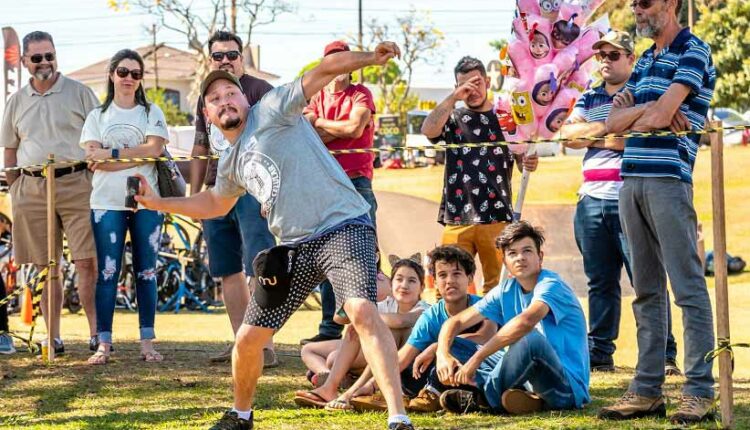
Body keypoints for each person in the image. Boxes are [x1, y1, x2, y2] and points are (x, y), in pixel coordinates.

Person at [134, 42, 416, 430]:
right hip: (293, 246)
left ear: (245, 98)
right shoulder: (231, 161)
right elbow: (215, 203)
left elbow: (323, 70)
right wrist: (157, 203)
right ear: (208, 114)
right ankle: (241, 415)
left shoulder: (272, 108)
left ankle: (398, 417)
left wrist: (371, 58)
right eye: (215, 98)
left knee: (361, 310)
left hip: (343, 225)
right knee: (248, 338)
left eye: (231, 92)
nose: (224, 100)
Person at [598, 0, 717, 424]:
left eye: (645, 4)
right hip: (630, 181)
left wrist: (645, 116)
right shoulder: (646, 59)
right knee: (646, 290)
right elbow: (611, 123)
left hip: (668, 180)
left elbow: (662, 114)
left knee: (687, 288)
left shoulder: (694, 50)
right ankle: (647, 390)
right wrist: (645, 116)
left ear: (670, 4)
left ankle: (700, 390)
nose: (638, 11)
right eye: (634, 6)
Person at [559, 30, 681, 375]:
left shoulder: (643, 92)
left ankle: (664, 354)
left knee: (647, 279)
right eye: (601, 56)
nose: (605, 62)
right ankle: (600, 355)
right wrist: (611, 131)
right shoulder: (590, 95)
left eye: (614, 56)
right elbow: (567, 137)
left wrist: (597, 135)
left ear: (631, 59)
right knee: (600, 281)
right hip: (591, 200)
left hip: (631, 195)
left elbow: (646, 138)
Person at [0, 31, 99, 355]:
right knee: (47, 266)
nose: (45, 62)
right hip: (32, 188)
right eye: (38, 57)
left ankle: (98, 334)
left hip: (76, 183)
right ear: (26, 61)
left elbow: (98, 139)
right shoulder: (15, 101)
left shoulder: (80, 93)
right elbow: (10, 151)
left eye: (50, 55)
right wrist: (16, 187)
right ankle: (53, 337)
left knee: (87, 262)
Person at [435, 221, 590, 415]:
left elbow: (525, 322)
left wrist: (477, 359)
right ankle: (517, 397)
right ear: (505, 262)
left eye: (527, 251)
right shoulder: (506, 290)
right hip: (527, 378)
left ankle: (483, 397)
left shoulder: (552, 285)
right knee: (455, 344)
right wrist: (442, 353)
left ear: (540, 257)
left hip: (565, 387)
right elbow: (455, 321)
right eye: (512, 253)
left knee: (529, 338)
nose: (520, 258)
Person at [189, 31, 278, 366]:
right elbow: (200, 145)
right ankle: (242, 342)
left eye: (232, 54)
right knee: (228, 269)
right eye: (218, 56)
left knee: (260, 265)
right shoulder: (206, 97)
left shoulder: (261, 91)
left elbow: (279, 142)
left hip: (254, 188)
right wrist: (196, 195)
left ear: (243, 57)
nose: (225, 60)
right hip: (216, 190)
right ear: (209, 60)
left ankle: (264, 345)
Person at [421, 56, 538, 295]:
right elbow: (428, 130)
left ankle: (495, 332)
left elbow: (519, 159)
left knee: (500, 286)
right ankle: (452, 331)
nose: (472, 91)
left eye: (477, 83)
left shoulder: (505, 116)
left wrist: (528, 162)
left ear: (487, 81)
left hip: (497, 214)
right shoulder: (453, 118)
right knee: (448, 286)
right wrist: (454, 98)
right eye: (465, 86)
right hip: (457, 216)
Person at [79, 49, 167, 365]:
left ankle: (147, 343)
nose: (129, 78)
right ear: (112, 74)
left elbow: (154, 151)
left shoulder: (151, 111)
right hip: (105, 204)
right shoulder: (96, 116)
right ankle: (103, 343)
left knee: (146, 272)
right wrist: (134, 156)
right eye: (123, 72)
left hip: (147, 203)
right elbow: (92, 159)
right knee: (107, 272)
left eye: (135, 73)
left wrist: (111, 155)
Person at [343, 246, 497, 413]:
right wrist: (370, 385)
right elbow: (405, 355)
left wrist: (438, 347)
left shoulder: (485, 305)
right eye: (442, 275)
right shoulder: (431, 316)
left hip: (480, 369)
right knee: (408, 367)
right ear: (435, 282)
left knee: (448, 349)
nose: (449, 281)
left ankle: (435, 395)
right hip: (440, 374)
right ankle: (409, 396)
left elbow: (485, 337)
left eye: (457, 274)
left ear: (470, 278)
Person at [301, 40, 378, 346]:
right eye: (332, 60)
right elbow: (306, 133)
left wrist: (320, 124)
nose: (338, 67)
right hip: (323, 182)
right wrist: (335, 127)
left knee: (366, 250)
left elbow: (355, 130)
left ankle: (371, 320)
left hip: (356, 181)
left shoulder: (361, 94)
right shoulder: (315, 96)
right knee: (327, 253)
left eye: (344, 60)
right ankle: (329, 328)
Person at [295, 254, 430, 410]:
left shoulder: (424, 308)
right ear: (391, 284)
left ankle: (349, 387)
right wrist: (352, 301)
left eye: (412, 281)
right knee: (350, 332)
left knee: (339, 354)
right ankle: (330, 386)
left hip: (407, 366)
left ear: (422, 287)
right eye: (399, 279)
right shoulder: (385, 303)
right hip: (382, 357)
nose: (404, 285)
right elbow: (339, 319)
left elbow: (401, 321)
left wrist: (365, 316)